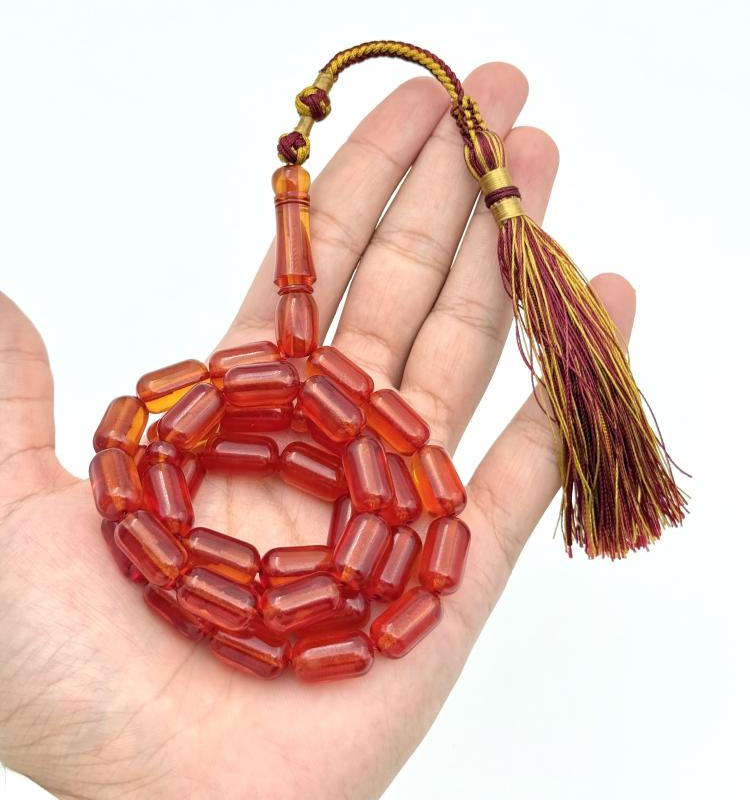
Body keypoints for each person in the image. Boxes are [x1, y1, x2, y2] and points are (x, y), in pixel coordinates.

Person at [0, 62, 634, 799]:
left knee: (378, 507)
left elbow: (377, 540)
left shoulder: (385, 533)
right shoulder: (164, 475)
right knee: (190, 448)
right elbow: (161, 453)